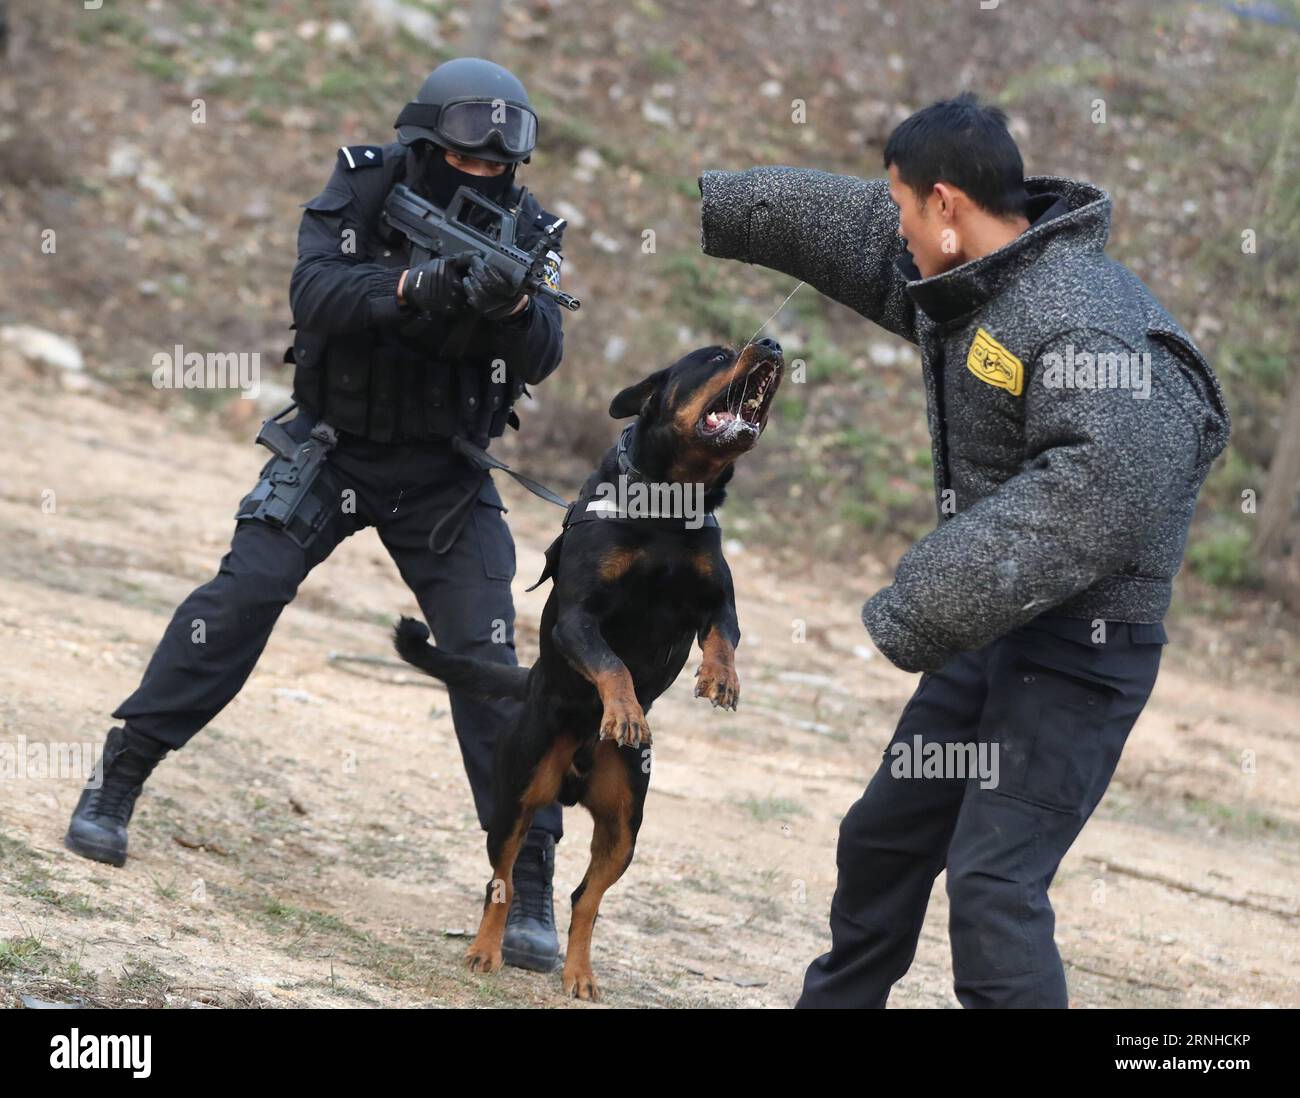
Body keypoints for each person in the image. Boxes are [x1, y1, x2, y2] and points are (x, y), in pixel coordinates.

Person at [698, 92, 1231, 1007]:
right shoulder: (970, 278)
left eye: (903, 206)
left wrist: (919, 600)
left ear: (946, 202)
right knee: (884, 842)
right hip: (996, 637)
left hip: (1080, 658)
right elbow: (863, 238)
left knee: (992, 888)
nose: (893, 227)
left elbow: (1105, 488)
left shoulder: (1082, 319)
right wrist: (721, 204)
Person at [65, 57, 570, 973]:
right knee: (242, 595)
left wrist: (507, 304)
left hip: (445, 475)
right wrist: (417, 288)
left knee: (490, 662)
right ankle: (119, 776)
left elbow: (545, 353)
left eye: (502, 166)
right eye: (469, 160)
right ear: (427, 144)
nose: (486, 175)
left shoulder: (528, 231)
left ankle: (523, 877)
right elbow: (314, 293)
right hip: (333, 448)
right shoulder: (367, 182)